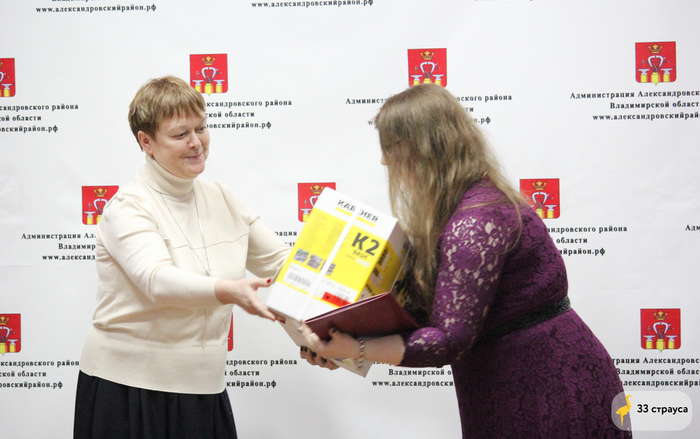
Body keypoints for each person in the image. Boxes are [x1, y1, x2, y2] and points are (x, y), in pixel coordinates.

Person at [300, 84, 632, 438]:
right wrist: (340, 342)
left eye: (390, 147)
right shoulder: (466, 207)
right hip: (507, 381)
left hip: (550, 387)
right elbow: (426, 314)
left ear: (421, 149)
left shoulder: (476, 221)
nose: (384, 161)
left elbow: (448, 339)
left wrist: (358, 348)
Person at [74, 76, 290, 438]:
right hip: (127, 391)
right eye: (180, 134)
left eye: (201, 128)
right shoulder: (128, 206)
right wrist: (228, 289)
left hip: (203, 390)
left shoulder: (222, 197)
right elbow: (157, 280)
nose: (196, 143)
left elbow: (285, 263)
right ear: (146, 142)